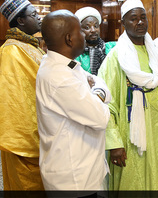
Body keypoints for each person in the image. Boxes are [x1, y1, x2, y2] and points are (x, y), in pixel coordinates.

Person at [98, 0, 158, 190]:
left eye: (143, 17)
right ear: (123, 23)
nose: (140, 22)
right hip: (131, 137)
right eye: (133, 18)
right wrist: (113, 144)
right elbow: (106, 105)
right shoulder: (116, 58)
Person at [36, 10, 111, 191]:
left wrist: (97, 92)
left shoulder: (65, 63)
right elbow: (101, 118)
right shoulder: (60, 77)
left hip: (84, 169)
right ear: (69, 39)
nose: (85, 35)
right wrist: (99, 93)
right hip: (75, 178)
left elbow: (97, 82)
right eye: (80, 31)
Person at [0, 0, 45, 190]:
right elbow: (11, 99)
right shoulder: (10, 51)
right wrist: (29, 137)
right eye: (34, 14)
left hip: (42, 131)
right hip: (23, 138)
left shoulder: (32, 46)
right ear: (20, 20)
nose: (39, 18)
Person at [74, 7, 116, 75]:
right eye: (87, 27)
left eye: (96, 26)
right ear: (79, 30)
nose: (93, 30)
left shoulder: (112, 47)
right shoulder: (76, 55)